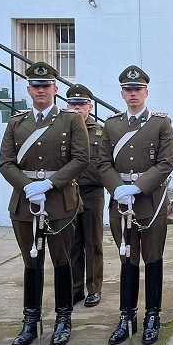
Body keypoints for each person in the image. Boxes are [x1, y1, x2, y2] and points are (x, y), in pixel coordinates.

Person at [0, 61, 89, 345]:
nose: (41, 90)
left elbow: (80, 159)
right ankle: (30, 320)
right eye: (36, 86)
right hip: (25, 203)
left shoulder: (71, 120)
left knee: (62, 260)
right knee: (31, 262)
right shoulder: (17, 123)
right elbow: (5, 163)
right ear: (29, 89)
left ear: (55, 89)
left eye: (46, 85)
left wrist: (49, 184)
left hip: (60, 201)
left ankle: (63, 319)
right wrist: (27, 186)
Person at [98, 65, 173, 345]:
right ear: (122, 93)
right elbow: (102, 162)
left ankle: (152, 316)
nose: (133, 94)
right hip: (121, 202)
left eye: (138, 89)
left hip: (150, 202)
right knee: (127, 259)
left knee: (152, 258)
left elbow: (166, 162)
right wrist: (118, 188)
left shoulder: (160, 124)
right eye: (128, 90)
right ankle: (126, 316)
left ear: (146, 92)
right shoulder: (111, 125)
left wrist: (138, 186)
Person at [66, 84, 105, 308]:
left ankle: (94, 288)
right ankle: (75, 289)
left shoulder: (100, 131)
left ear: (90, 106)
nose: (78, 108)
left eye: (82, 104)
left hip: (92, 192)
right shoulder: (62, 129)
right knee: (72, 243)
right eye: (73, 103)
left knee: (93, 243)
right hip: (68, 191)